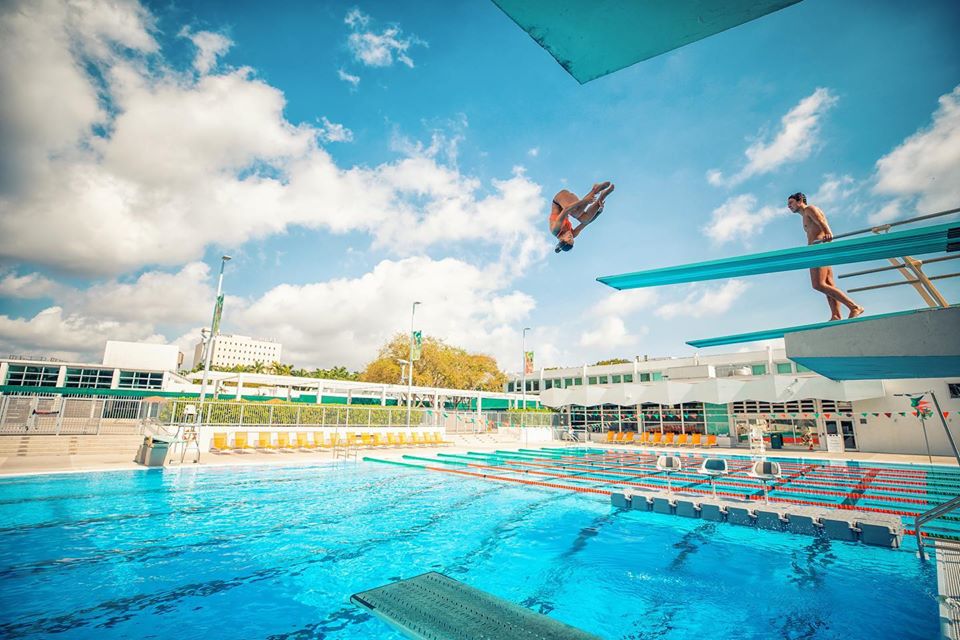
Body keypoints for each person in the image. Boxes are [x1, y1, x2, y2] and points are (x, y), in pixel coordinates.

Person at [787, 192, 864, 320]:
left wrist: (828, 233)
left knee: (818, 284)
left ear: (800, 200)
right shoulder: (804, 216)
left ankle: (854, 307)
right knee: (828, 284)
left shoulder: (809, 209)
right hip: (817, 250)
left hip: (819, 249)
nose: (789, 206)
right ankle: (836, 315)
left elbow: (821, 220)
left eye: (791, 203)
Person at [549, 181, 615, 252]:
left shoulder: (555, 230)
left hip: (560, 197)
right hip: (572, 205)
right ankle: (603, 196)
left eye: (569, 238)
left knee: (575, 212)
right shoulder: (573, 234)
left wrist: (585, 201)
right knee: (585, 219)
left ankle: (595, 190)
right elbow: (586, 223)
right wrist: (599, 212)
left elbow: (566, 210)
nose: (571, 236)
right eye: (572, 239)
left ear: (561, 239)